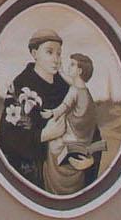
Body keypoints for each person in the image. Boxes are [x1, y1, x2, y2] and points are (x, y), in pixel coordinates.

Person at [0, 30, 69, 187]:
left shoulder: (65, 87)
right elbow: (8, 137)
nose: (56, 59)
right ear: (34, 53)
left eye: (59, 54)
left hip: (65, 170)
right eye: (49, 52)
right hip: (33, 175)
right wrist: (43, 135)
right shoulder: (21, 86)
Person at [39, 52, 106, 196]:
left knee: (54, 147)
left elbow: (65, 105)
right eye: (49, 53)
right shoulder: (85, 91)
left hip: (72, 141)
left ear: (79, 70)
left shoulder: (73, 90)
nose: (57, 60)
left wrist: (51, 113)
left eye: (72, 65)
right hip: (79, 141)